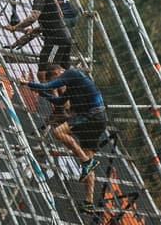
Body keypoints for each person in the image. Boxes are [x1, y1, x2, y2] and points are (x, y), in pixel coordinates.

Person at [24, 65, 108, 209]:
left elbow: (49, 85)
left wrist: (27, 83)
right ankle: (88, 202)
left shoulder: (72, 73)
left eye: (57, 79)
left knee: (58, 132)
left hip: (93, 115)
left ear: (58, 72)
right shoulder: (72, 87)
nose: (59, 86)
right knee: (88, 159)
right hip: (98, 120)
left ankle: (86, 162)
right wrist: (39, 91)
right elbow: (58, 101)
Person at [4, 0, 74, 83]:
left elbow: (33, 17)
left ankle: (54, 98)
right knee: (59, 72)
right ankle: (62, 99)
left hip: (56, 40)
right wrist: (33, 31)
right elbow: (55, 17)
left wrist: (15, 28)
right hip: (60, 38)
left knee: (49, 72)